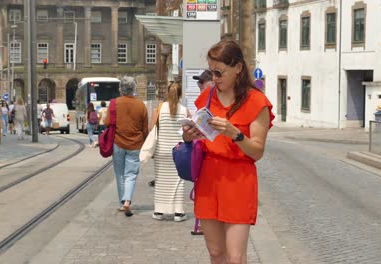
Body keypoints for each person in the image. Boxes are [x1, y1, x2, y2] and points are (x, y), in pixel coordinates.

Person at [182, 40, 274, 263]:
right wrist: (188, 135)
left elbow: (257, 151)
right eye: (211, 72)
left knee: (235, 257)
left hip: (238, 181)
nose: (214, 78)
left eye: (219, 72)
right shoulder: (208, 97)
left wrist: (237, 135)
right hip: (208, 178)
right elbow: (192, 135)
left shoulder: (256, 102)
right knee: (216, 253)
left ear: (238, 68)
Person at [104, 76, 148, 217]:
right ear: (134, 88)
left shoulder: (114, 103)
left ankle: (122, 202)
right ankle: (127, 201)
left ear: (120, 89)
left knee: (120, 174)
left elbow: (107, 122)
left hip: (118, 143)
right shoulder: (141, 105)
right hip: (135, 144)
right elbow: (145, 129)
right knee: (131, 174)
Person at [151, 82, 191, 222]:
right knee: (178, 181)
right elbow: (190, 128)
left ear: (168, 93)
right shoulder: (184, 110)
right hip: (178, 151)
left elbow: (152, 127)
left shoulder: (160, 108)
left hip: (161, 150)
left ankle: (158, 212)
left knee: (161, 180)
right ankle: (178, 213)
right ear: (180, 94)